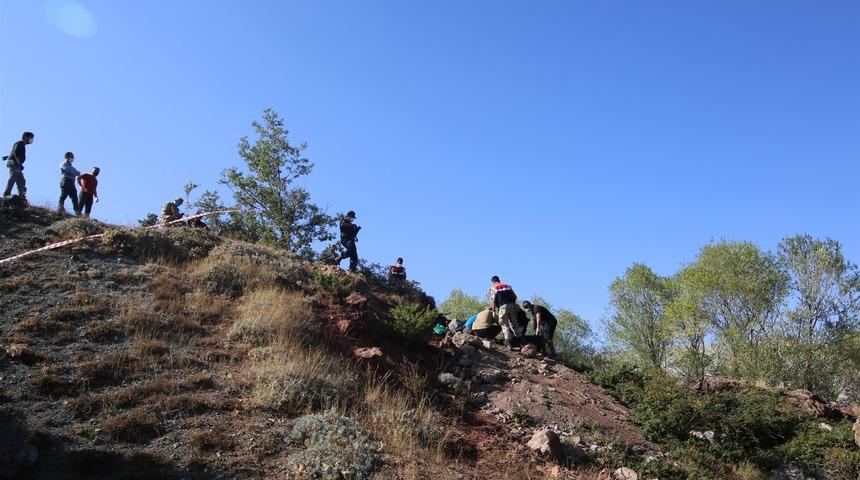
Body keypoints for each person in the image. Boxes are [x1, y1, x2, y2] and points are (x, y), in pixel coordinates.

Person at [490, 276, 520, 349]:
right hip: (513, 306)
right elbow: (515, 296)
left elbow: (493, 300)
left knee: (505, 325)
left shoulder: (493, 288)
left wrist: (493, 311)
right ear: (499, 280)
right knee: (514, 324)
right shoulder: (508, 285)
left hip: (503, 307)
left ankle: (508, 343)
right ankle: (521, 341)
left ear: (493, 282)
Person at [4, 131, 34, 201]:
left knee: (22, 180)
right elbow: (16, 152)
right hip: (14, 163)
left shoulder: (22, 145)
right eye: (31, 137)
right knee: (13, 176)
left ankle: (21, 196)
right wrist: (19, 164)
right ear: (25, 137)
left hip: (15, 163)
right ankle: (6, 194)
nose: (31, 139)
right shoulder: (19, 143)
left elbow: (14, 153)